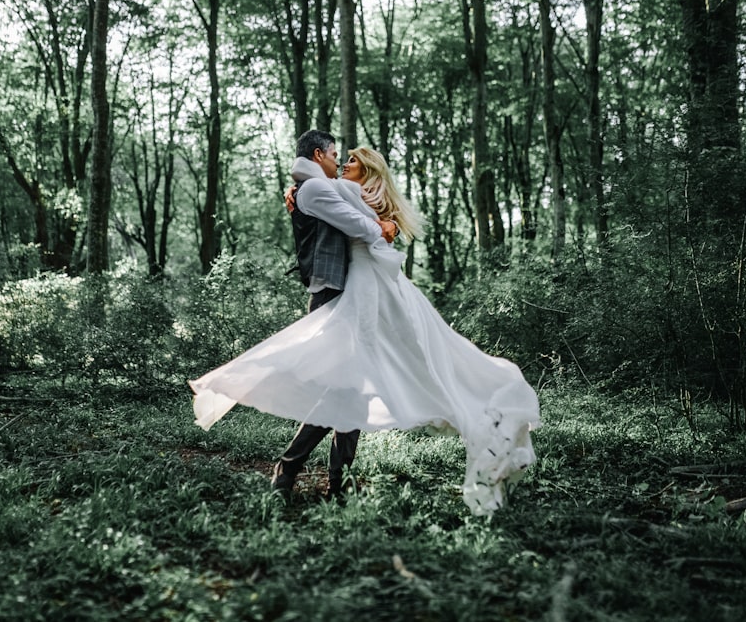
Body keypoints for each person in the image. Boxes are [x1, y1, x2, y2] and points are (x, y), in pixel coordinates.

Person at [190, 145, 541, 516]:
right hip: (359, 288)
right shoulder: (343, 191)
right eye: (341, 158)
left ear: (369, 170)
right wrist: (297, 191)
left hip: (377, 290)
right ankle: (308, 471)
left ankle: (320, 474)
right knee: (344, 384)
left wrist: (327, 200)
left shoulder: (355, 193)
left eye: (353, 161)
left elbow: (352, 215)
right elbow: (319, 192)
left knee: (351, 386)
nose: (344, 164)